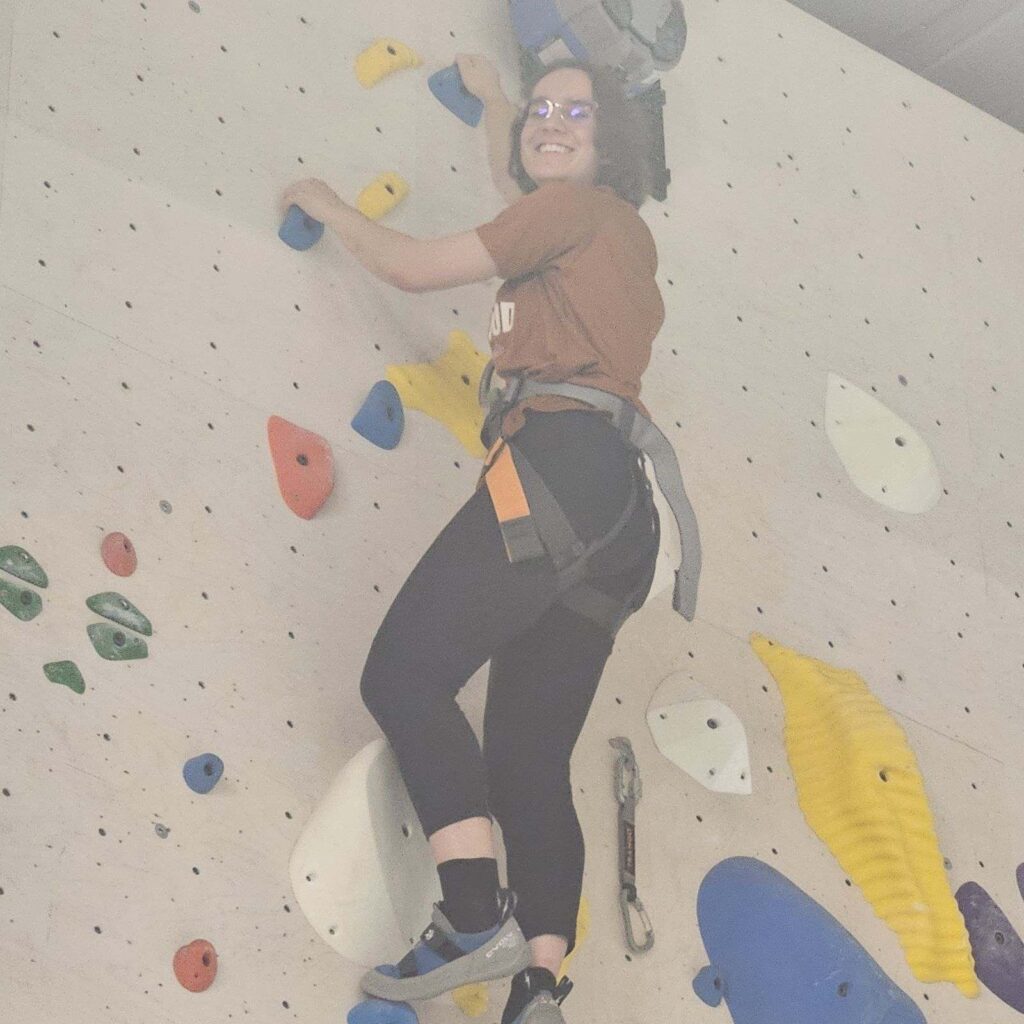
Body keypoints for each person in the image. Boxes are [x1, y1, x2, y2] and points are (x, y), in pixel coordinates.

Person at [281, 53, 667, 1024]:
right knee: (526, 759)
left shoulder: (574, 215)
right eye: (544, 109)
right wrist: (500, 102)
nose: (552, 122)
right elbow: (522, 183)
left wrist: (326, 200)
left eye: (575, 112)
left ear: (610, 139)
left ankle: (467, 917)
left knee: (403, 677)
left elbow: (415, 267)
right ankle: (538, 982)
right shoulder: (608, 239)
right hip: (622, 517)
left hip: (557, 468)